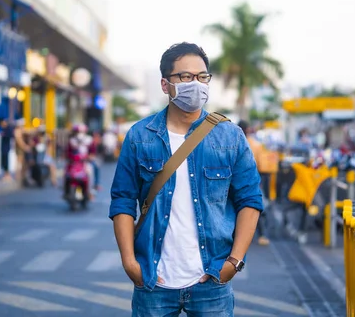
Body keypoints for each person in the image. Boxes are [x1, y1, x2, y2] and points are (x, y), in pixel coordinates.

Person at [110, 42, 263, 316]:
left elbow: (250, 201)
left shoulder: (230, 137)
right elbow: (122, 200)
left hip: (212, 279)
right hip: (153, 281)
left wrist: (234, 261)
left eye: (202, 77)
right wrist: (130, 262)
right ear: (164, 84)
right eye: (185, 77)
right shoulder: (140, 136)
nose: (196, 84)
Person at [238, 120, 271, 246]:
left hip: (233, 181)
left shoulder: (229, 142)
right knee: (258, 206)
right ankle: (262, 235)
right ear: (248, 130)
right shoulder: (255, 145)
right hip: (252, 181)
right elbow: (262, 166)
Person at [13, 119, 31, 183]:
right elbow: (19, 141)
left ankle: (21, 175)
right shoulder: (17, 131)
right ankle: (17, 176)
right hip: (19, 149)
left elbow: (28, 132)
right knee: (18, 162)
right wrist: (25, 147)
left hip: (21, 148)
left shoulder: (21, 130)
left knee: (23, 162)